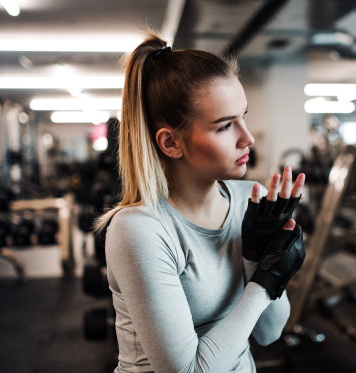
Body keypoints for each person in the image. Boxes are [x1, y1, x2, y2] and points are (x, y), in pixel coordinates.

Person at [93, 31, 306, 373]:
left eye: (244, 117)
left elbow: (269, 333)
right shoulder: (140, 229)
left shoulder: (246, 200)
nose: (247, 138)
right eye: (224, 127)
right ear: (171, 142)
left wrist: (255, 260)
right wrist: (266, 281)